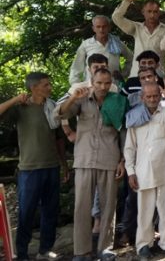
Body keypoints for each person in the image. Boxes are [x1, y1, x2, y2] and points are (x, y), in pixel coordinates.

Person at [55, 68, 126, 260]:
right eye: (99, 83)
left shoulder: (117, 100)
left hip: (109, 158)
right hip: (85, 159)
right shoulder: (81, 99)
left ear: (111, 82)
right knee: (81, 206)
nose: (103, 87)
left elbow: (123, 132)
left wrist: (123, 160)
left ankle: (105, 248)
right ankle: (81, 250)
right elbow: (61, 114)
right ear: (92, 82)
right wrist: (72, 98)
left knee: (109, 206)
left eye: (106, 83)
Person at [0, 72, 68, 260]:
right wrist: (15, 99)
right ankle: (21, 253)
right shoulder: (21, 108)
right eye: (46, 85)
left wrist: (64, 165)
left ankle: (45, 250)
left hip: (51, 166)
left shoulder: (52, 107)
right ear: (34, 87)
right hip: (29, 169)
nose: (50, 87)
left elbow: (58, 139)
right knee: (26, 212)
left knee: (50, 211)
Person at [124, 80, 165, 259]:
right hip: (143, 172)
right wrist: (130, 171)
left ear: (160, 96)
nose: (152, 99)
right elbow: (129, 147)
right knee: (145, 211)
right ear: (142, 97)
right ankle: (143, 245)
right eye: (148, 96)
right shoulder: (134, 116)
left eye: (155, 96)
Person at [112, 0, 165, 78]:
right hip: (136, 76)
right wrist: (128, 0)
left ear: (159, 13)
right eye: (149, 11)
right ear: (143, 12)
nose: (152, 15)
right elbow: (116, 17)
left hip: (159, 77)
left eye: (155, 12)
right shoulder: (136, 28)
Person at [69, 15, 133, 84]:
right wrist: (75, 85)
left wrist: (123, 74)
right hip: (92, 86)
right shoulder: (86, 44)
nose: (101, 29)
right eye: (98, 27)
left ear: (109, 27)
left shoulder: (117, 42)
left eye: (104, 26)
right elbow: (76, 66)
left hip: (114, 85)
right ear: (93, 28)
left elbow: (131, 58)